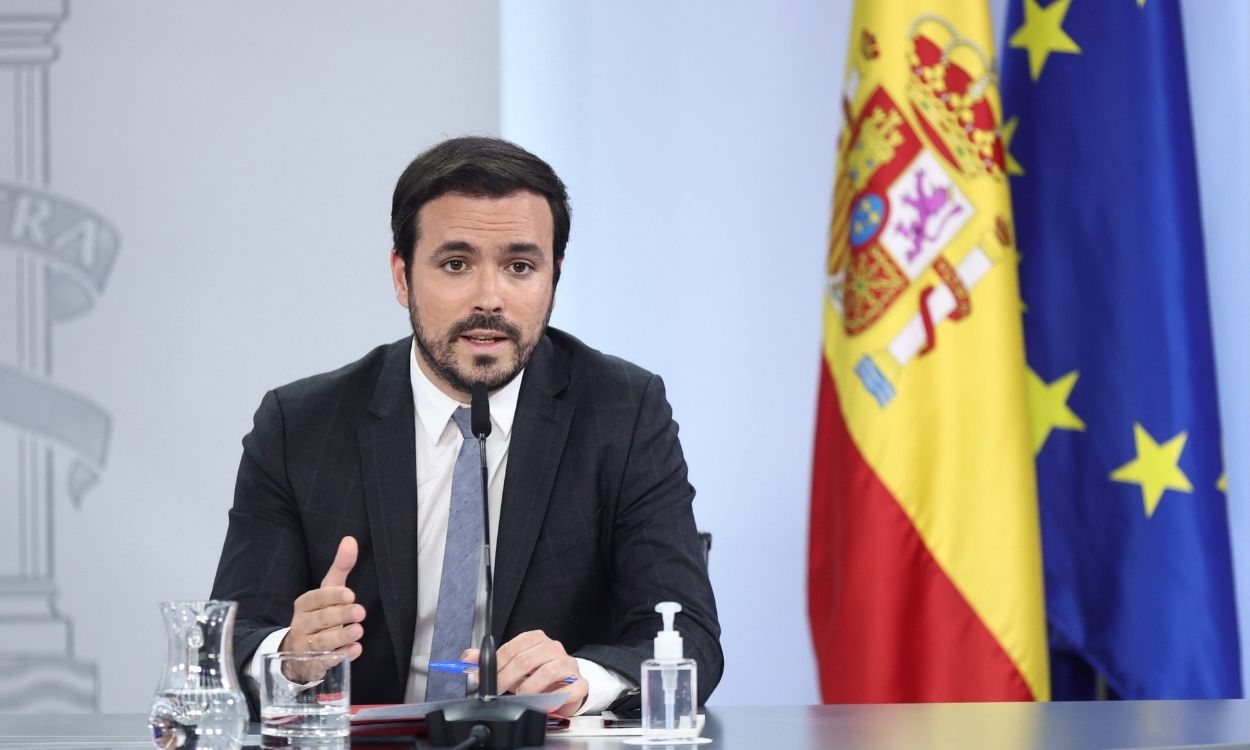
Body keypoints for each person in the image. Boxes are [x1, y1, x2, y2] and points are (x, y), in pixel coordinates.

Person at [210, 136, 721, 718]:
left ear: (554, 279)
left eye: (520, 267)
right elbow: (235, 636)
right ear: (402, 277)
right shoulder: (300, 426)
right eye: (456, 264)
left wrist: (582, 678)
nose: (489, 297)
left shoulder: (624, 413)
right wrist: (291, 655)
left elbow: (691, 636)